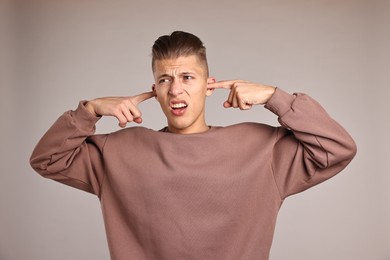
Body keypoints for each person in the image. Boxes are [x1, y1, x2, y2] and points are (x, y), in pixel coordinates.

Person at [30, 31, 357, 260]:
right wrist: (90, 110)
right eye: (165, 80)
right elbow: (47, 159)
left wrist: (276, 97)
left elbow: (337, 149)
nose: (175, 91)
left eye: (187, 77)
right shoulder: (118, 152)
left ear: (209, 85)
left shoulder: (262, 149)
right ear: (155, 90)